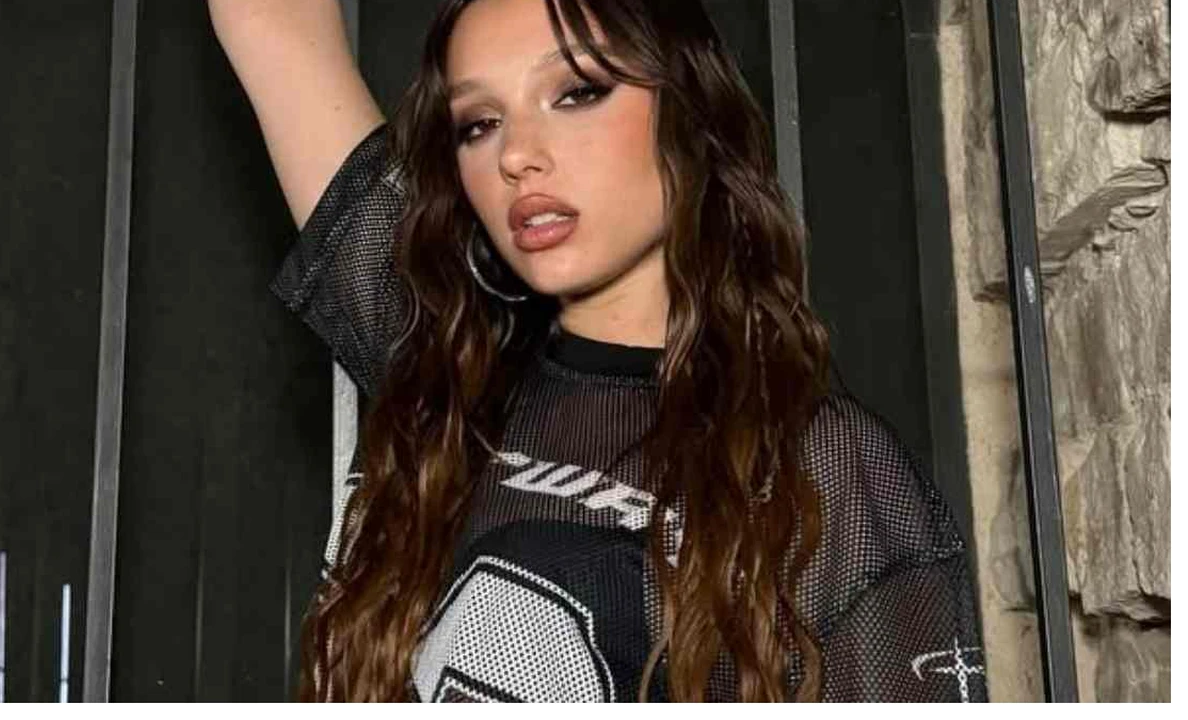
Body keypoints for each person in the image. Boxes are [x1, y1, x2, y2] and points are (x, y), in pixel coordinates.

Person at [209, 0, 988, 703]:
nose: (517, 155)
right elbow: (265, 18)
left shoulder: (814, 464)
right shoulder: (443, 368)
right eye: (479, 123)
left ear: (688, 111)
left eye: (577, 93)